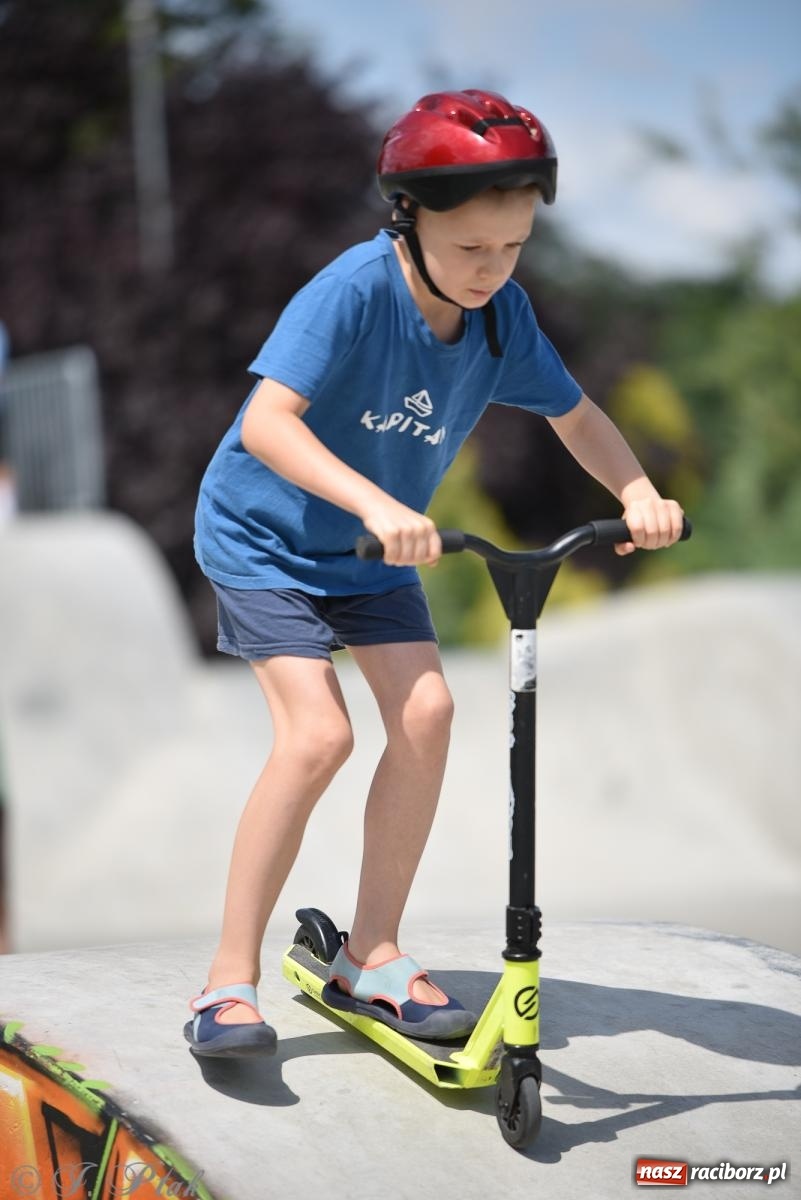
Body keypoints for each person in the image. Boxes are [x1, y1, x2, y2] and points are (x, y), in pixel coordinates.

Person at [184, 89, 684, 1056]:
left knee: (428, 716)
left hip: (375, 554)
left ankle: (371, 954)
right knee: (317, 736)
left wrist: (636, 492)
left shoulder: (501, 320)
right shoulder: (353, 292)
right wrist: (375, 503)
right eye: (471, 248)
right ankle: (225, 983)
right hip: (266, 540)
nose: (492, 268)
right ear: (408, 216)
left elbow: (575, 415)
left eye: (513, 248)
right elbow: (267, 424)